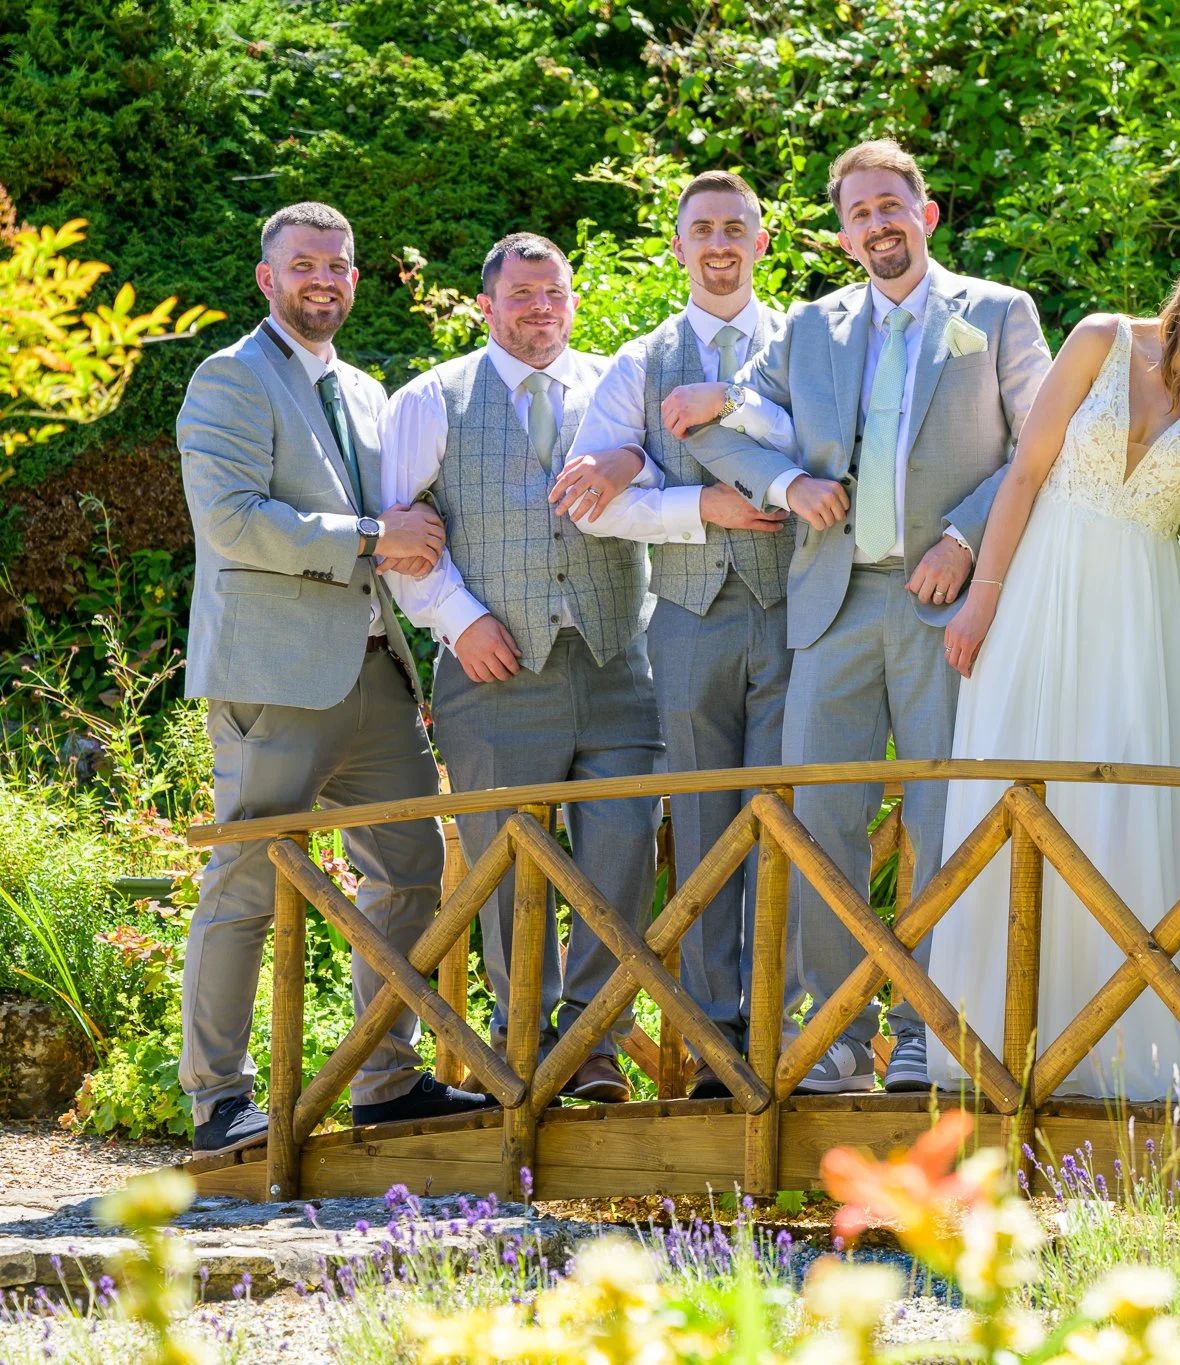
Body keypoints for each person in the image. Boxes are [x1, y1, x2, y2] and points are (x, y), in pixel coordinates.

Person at [693, 140, 1053, 1094]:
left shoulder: (1000, 314)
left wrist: (968, 544)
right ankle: (839, 1029)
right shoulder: (810, 328)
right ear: (843, 231)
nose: (877, 224)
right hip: (832, 599)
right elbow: (726, 424)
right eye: (858, 213)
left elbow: (1039, 450)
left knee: (944, 817)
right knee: (824, 819)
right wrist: (786, 479)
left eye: (891, 205)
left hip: (947, 601)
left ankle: (931, 1024)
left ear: (925, 214)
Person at [930, 222, 1180, 1103]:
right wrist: (983, 596)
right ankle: (992, 1039)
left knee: (1119, 802)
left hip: (1138, 616)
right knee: (1015, 782)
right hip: (1039, 586)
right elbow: (1023, 474)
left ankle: (1126, 1048)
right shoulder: (1100, 338)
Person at [178, 202, 489, 1150]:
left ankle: (384, 1080)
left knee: (410, 870)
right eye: (303, 264)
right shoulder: (228, 378)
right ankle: (217, 1099)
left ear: (355, 279)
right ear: (266, 279)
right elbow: (231, 520)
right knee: (249, 877)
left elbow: (394, 529)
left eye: (339, 265)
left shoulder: (362, 389)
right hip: (274, 677)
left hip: (374, 673)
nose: (323, 278)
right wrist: (368, 536)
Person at [380, 233, 663, 1105]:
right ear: (487, 305)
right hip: (494, 668)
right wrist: (461, 622)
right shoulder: (433, 399)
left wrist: (635, 458)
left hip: (617, 658)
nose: (542, 309)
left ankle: (598, 1040)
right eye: (523, 296)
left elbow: (667, 478)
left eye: (556, 294)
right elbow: (398, 535)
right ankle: (526, 1043)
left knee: (621, 852)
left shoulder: (612, 384)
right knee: (508, 868)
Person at [550, 170, 796, 1089]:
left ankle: (786, 1034)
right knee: (701, 830)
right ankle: (711, 1042)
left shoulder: (803, 344)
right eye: (704, 229)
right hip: (687, 623)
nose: (721, 243)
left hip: (797, 614)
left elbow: (829, 446)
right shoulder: (639, 360)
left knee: (789, 824)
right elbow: (590, 502)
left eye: (737, 227)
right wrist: (701, 505)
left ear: (763, 241)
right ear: (681, 245)